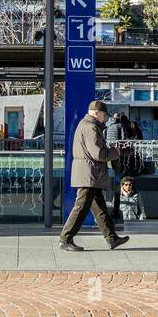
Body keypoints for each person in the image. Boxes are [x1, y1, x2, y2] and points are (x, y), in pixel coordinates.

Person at [59, 100, 130, 252]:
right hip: (89, 174)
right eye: (104, 115)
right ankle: (65, 239)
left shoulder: (85, 125)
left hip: (90, 173)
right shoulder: (91, 128)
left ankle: (112, 238)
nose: (105, 119)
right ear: (96, 114)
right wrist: (118, 152)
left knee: (100, 209)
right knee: (81, 207)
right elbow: (98, 153)